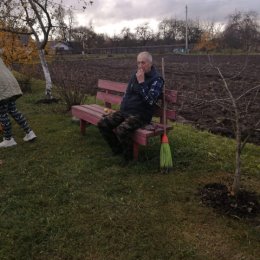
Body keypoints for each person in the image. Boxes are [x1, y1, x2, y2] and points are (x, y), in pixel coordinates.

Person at [97, 51, 164, 161]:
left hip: (141, 115)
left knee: (121, 129)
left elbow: (151, 101)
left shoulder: (157, 80)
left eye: (143, 63)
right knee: (103, 124)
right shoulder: (135, 75)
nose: (140, 66)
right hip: (126, 111)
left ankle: (128, 157)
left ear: (150, 63)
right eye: (138, 63)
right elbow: (127, 94)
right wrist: (123, 108)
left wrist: (142, 83)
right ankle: (117, 150)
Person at [0, 51, 36, 148]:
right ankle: (29, 132)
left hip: (2, 87)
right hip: (10, 83)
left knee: (2, 113)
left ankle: (8, 139)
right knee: (13, 110)